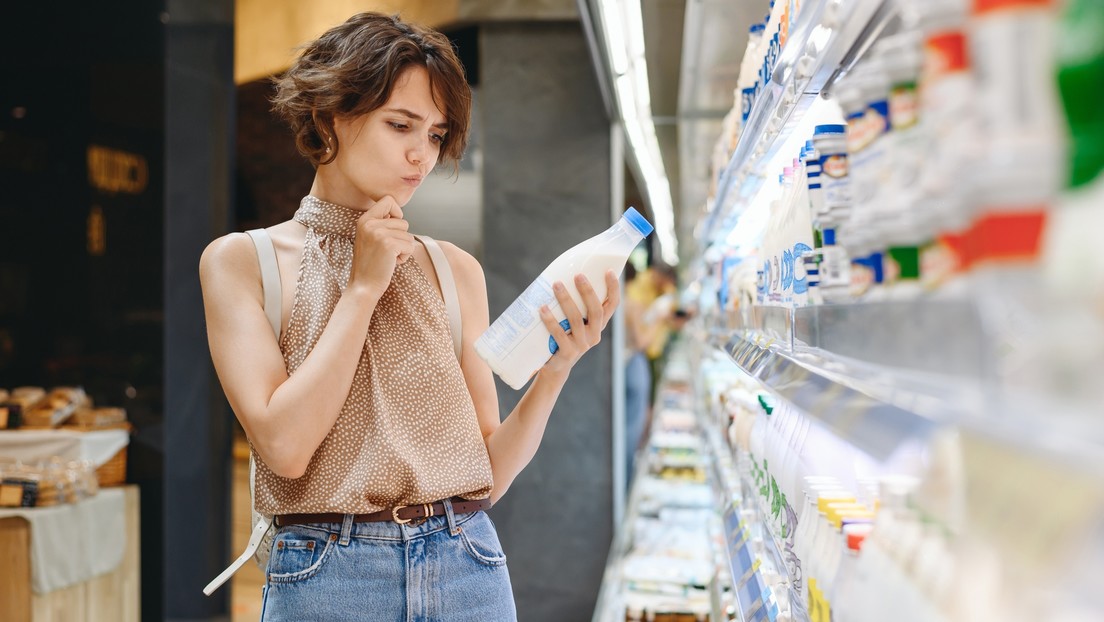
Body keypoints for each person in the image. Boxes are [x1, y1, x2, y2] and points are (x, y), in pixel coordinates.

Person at [198, 13, 619, 621]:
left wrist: (557, 369)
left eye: (437, 133)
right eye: (401, 125)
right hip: (326, 577)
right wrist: (364, 287)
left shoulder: (453, 271)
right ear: (328, 116)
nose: (422, 155)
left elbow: (488, 475)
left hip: (466, 564)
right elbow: (285, 448)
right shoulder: (244, 261)